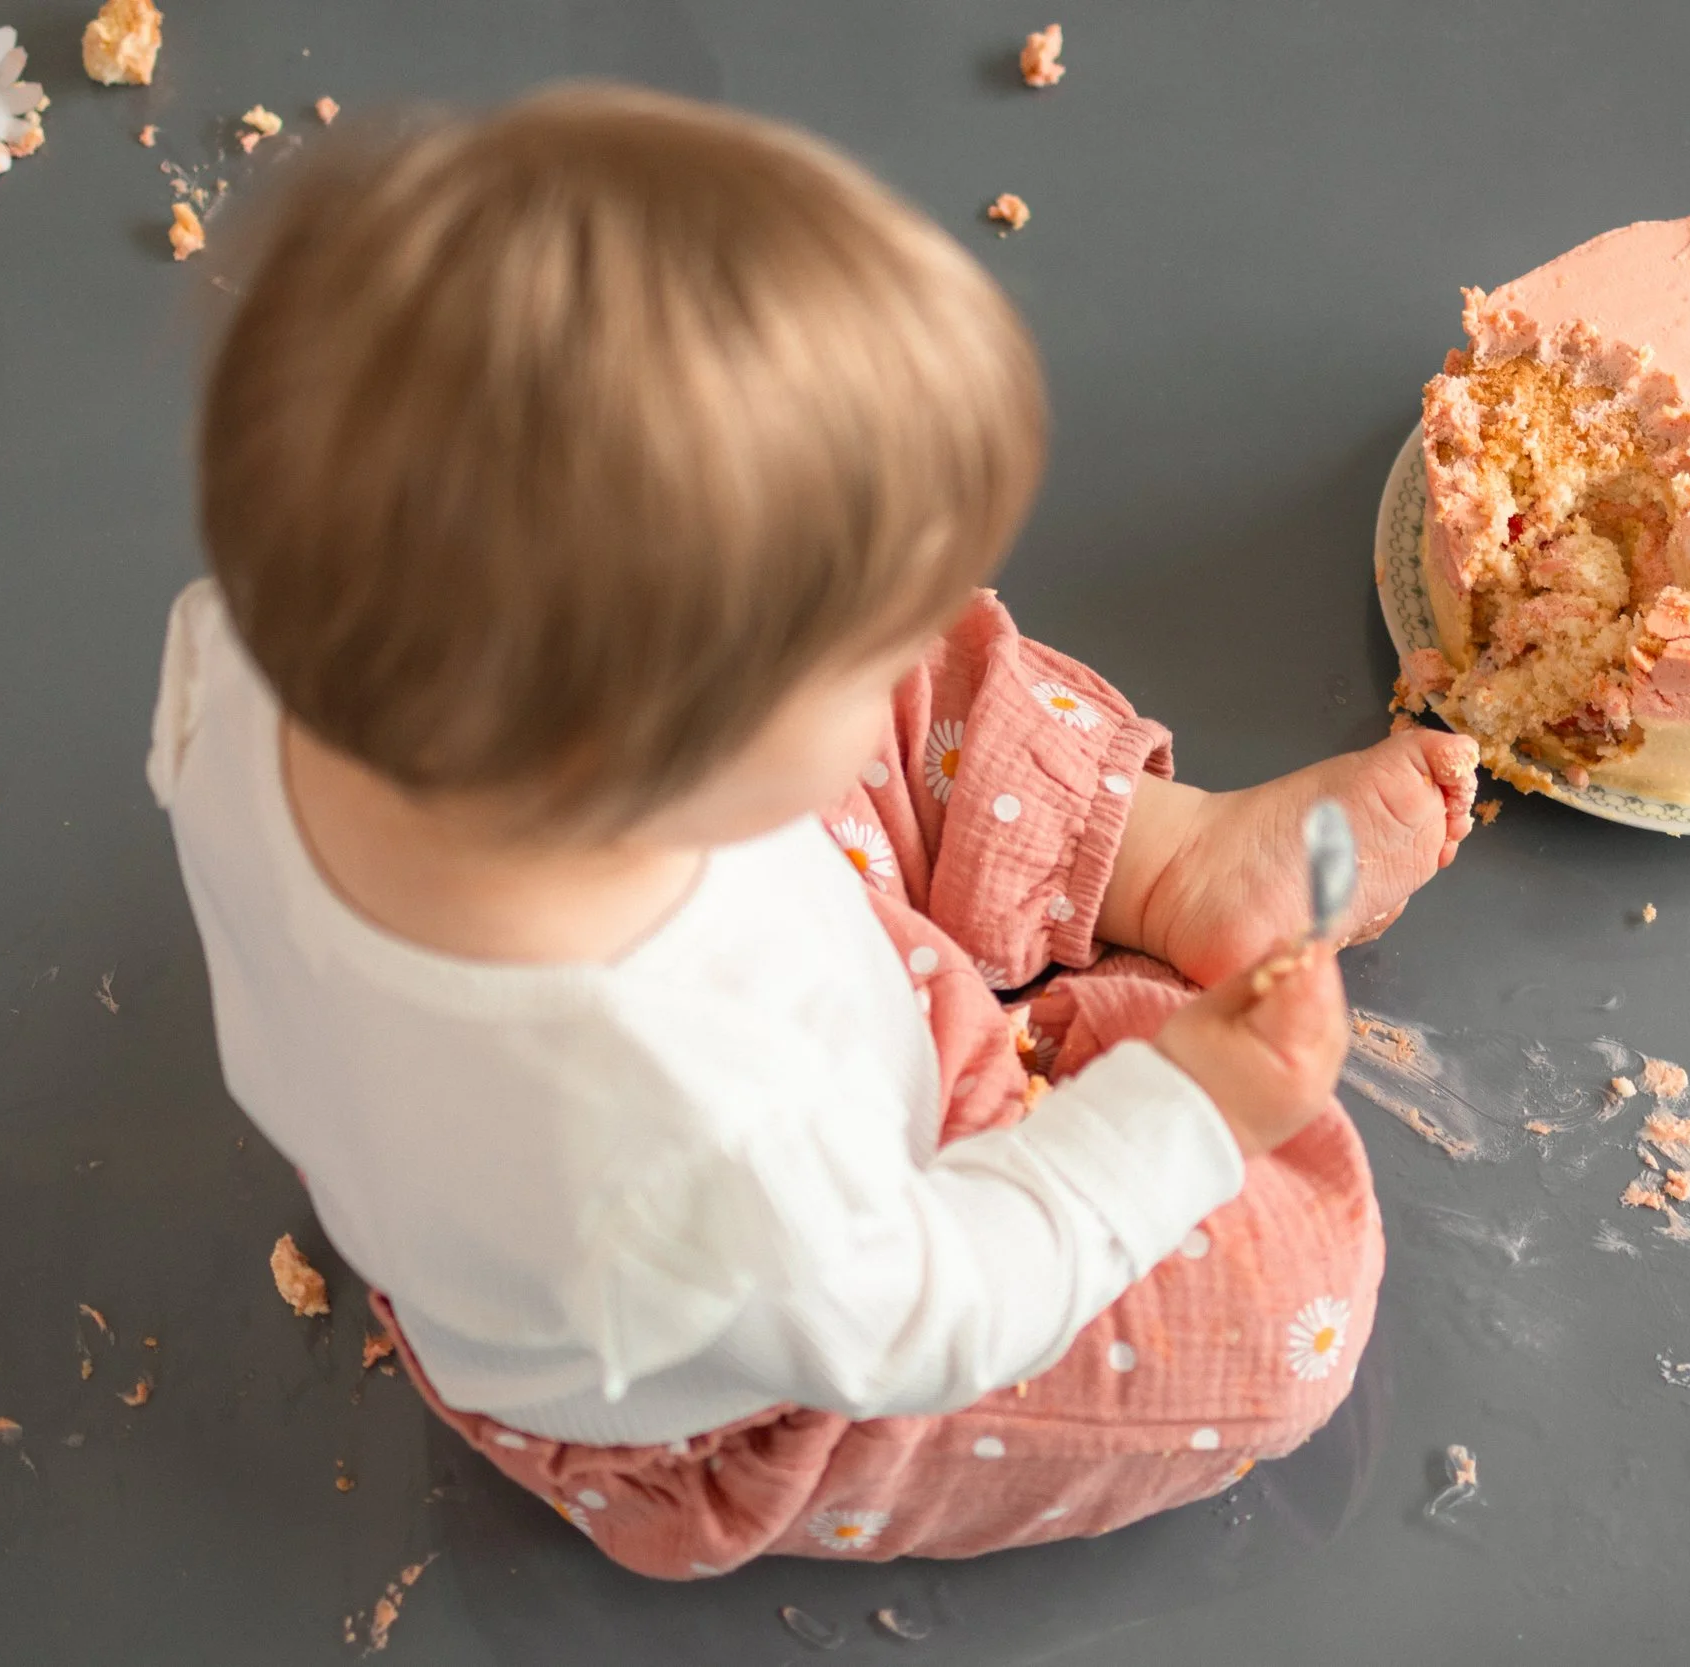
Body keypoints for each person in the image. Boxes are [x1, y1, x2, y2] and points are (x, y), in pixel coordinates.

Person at [146, 84, 1478, 1578]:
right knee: (1290, 1312)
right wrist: (1189, 1108)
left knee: (875, 634)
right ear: (645, 756)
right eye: (851, 655)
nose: (921, 630)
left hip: (771, 1019)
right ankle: (1111, 1008)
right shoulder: (674, 1132)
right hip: (777, 1332)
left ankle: (1160, 854)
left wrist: (844, 663)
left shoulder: (278, 653)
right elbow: (926, 1308)